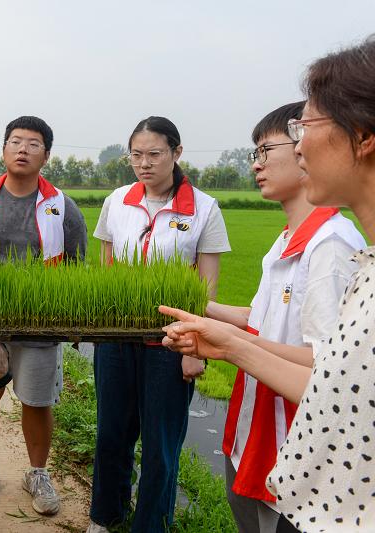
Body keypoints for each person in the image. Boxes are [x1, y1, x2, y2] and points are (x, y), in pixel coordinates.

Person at [161, 36, 375, 532]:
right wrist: (213, 323)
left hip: (323, 481)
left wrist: (232, 345)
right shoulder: (350, 258)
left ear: (362, 135)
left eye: (304, 127)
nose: (298, 147)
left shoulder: (334, 245)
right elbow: (336, 376)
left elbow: (325, 376)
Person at [207, 103, 365, 533]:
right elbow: (263, 317)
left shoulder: (331, 246)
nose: (256, 165)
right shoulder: (286, 240)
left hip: (295, 442)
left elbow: (328, 367)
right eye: (254, 154)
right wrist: (201, 310)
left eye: (265, 150)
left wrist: (230, 345)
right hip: (257, 428)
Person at [88, 116, 231, 533]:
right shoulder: (117, 201)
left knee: (161, 446)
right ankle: (106, 516)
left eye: (154, 154)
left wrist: (194, 350)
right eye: (136, 155)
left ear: (176, 152)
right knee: (111, 434)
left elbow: (206, 289)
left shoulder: (203, 208)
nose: (144, 163)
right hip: (116, 343)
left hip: (171, 345)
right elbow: (106, 271)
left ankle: (151, 525)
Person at [0, 115, 88, 516]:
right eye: (15, 141)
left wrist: (70, 319)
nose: (23, 149)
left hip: (40, 322)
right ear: (3, 150)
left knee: (36, 400)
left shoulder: (61, 206)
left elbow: (76, 265)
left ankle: (37, 473)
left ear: (46, 156)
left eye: (34, 144)